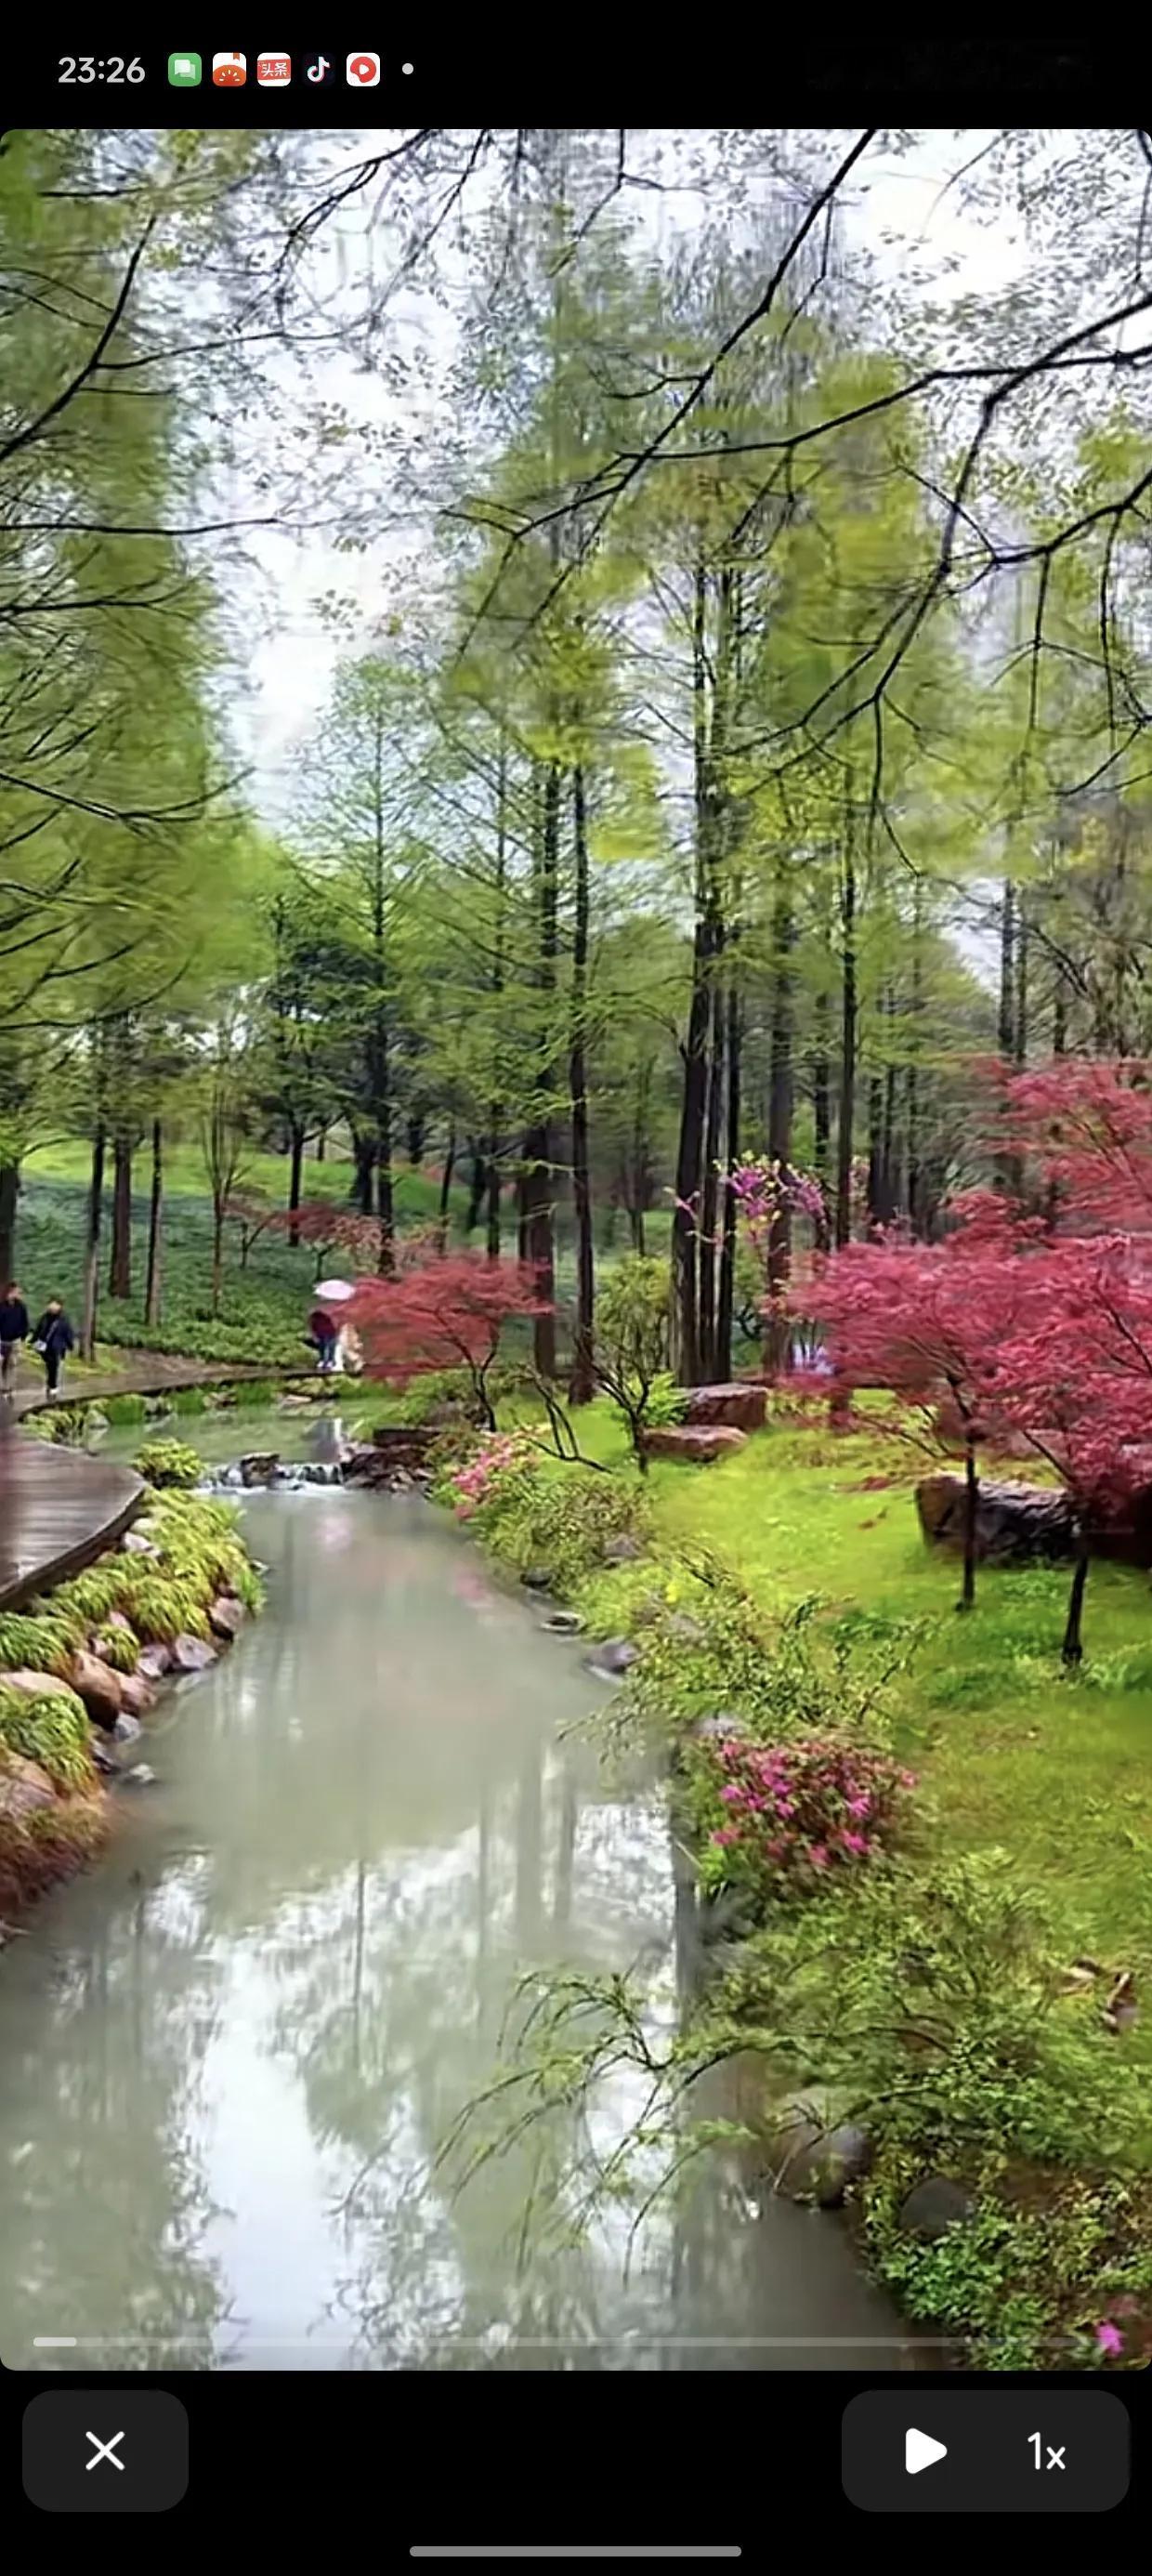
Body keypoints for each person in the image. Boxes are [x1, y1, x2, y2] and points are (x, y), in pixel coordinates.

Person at [32, 1297, 75, 1398]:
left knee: (55, 1366)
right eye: (51, 1304)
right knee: (49, 1366)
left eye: (55, 1304)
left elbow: (68, 1333)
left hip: (58, 1347)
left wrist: (70, 1345)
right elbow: (39, 1330)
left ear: (60, 1306)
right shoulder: (45, 1317)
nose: (52, 1306)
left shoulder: (63, 1319)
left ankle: (53, 1386)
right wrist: (33, 1341)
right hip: (45, 1347)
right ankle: (50, 1383)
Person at [0, 1282, 29, 1393]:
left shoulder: (21, 1307)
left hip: (15, 1340)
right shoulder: (2, 1307)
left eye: (17, 1292)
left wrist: (23, 1338)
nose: (16, 1294)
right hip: (2, 1339)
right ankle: (2, 1385)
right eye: (14, 1292)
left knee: (12, 1363)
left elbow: (25, 1323)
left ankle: (10, 1386)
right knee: (1, 1363)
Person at [307, 1304, 339, 1373]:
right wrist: (313, 1335)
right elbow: (310, 1323)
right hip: (320, 1332)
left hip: (331, 1332)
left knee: (331, 1346)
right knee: (322, 1347)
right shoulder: (315, 1315)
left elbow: (336, 1321)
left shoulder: (331, 1312)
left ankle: (330, 1361)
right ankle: (322, 1360)